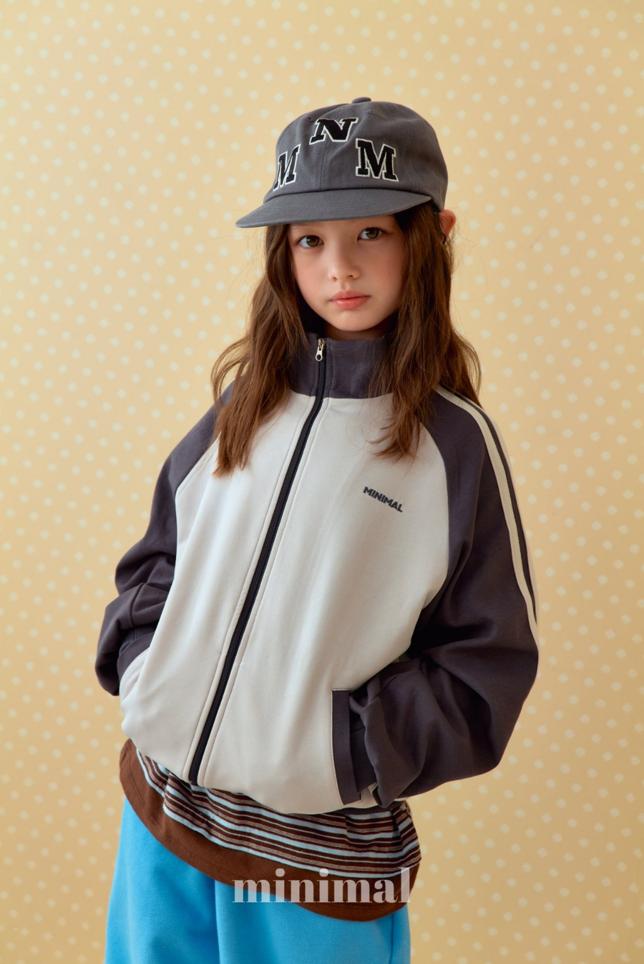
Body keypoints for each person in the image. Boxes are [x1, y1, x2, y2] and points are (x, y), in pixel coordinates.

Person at [96, 96, 540, 964]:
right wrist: (148, 672)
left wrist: (348, 750)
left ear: (431, 236)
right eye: (309, 240)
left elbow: (485, 667)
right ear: (282, 251)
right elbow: (159, 559)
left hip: (317, 863)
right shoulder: (243, 406)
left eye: (370, 232)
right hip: (163, 814)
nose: (340, 267)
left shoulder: (452, 447)